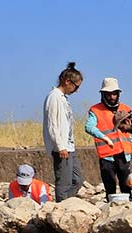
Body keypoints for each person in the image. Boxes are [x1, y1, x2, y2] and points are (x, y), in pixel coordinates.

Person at [85, 78, 132, 198]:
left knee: (126, 185)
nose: (112, 97)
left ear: (118, 94)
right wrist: (104, 138)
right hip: (108, 156)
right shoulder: (95, 110)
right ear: (103, 94)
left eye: (114, 94)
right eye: (108, 94)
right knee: (110, 187)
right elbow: (89, 127)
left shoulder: (126, 109)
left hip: (124, 153)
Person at [43, 62, 83, 201]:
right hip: (62, 147)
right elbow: (52, 124)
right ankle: (62, 205)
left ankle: (65, 201)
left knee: (78, 179)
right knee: (64, 182)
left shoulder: (63, 99)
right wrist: (60, 146)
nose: (76, 90)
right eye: (76, 86)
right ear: (67, 81)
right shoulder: (54, 97)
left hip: (69, 146)